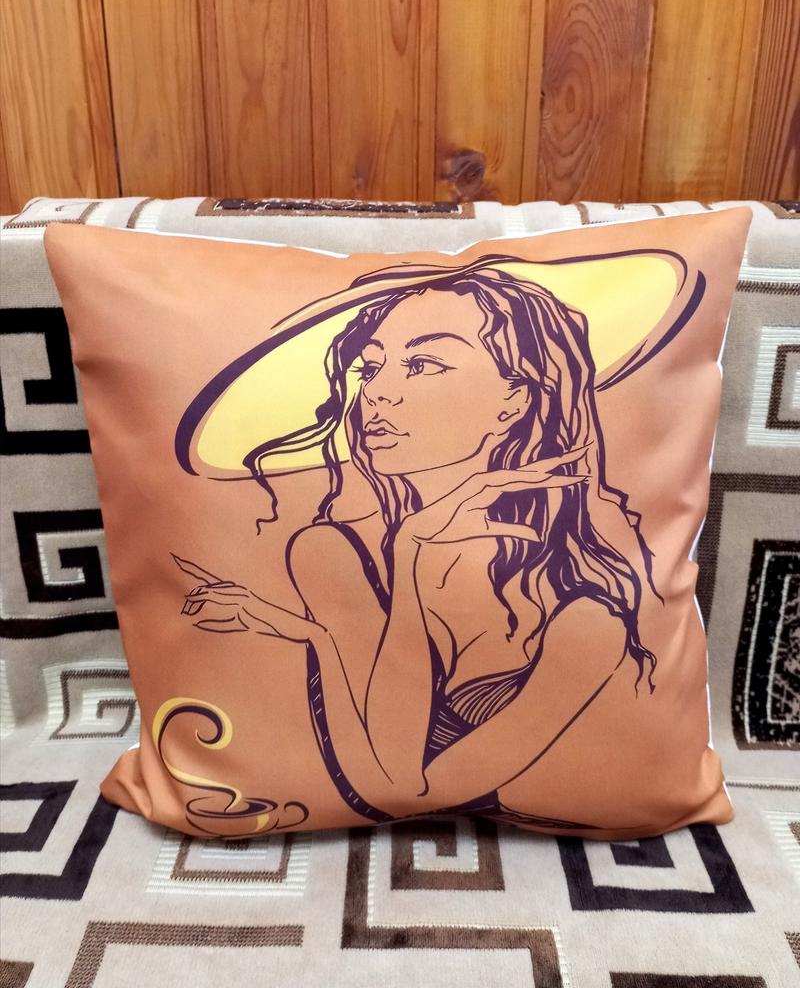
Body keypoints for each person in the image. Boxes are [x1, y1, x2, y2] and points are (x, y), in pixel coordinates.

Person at [178, 257, 661, 831]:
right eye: (371, 368)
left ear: (514, 402)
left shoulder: (584, 619)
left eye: (423, 364)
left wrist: (397, 567)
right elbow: (377, 784)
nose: (377, 394)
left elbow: (407, 789)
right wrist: (338, 620)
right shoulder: (331, 554)